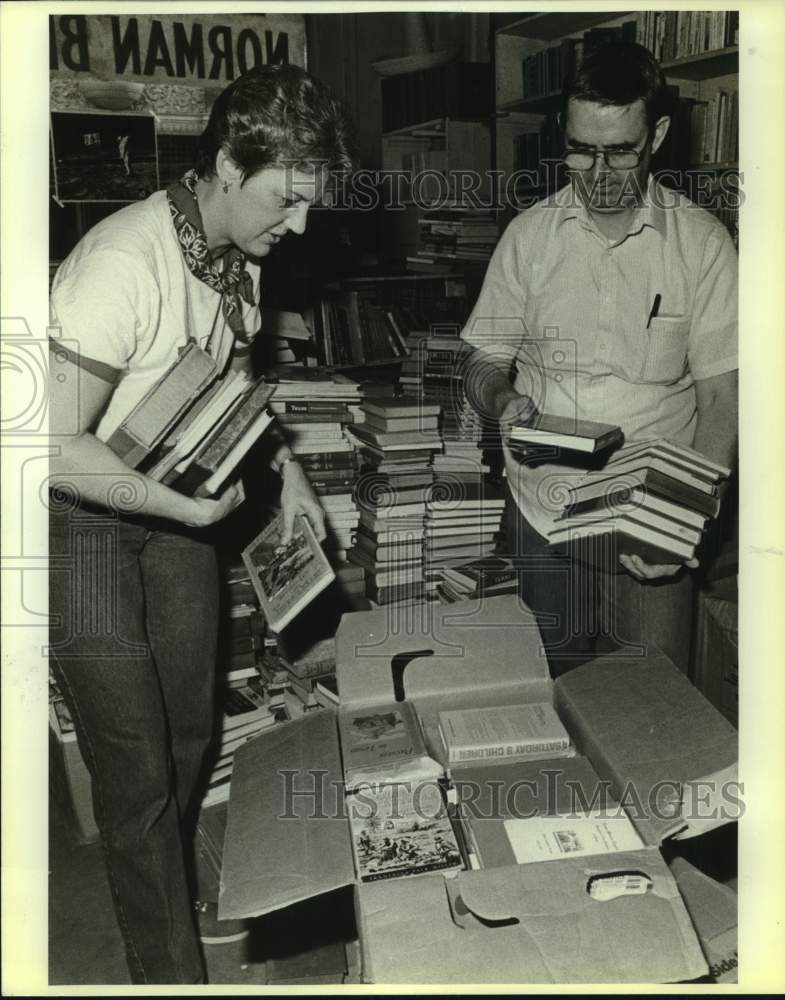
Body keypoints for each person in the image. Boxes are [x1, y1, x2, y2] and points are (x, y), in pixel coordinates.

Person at [48, 65, 354, 984]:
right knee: (135, 774)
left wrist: (287, 471)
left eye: (311, 204)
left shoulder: (234, 257)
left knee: (189, 738)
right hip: (80, 524)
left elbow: (225, 384)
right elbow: (47, 445)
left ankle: (165, 893)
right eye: (286, 200)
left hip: (173, 508)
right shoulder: (121, 265)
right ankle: (166, 970)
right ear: (227, 161)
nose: (298, 227)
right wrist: (185, 508)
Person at [460, 42, 738, 677]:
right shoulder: (528, 238)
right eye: (581, 148)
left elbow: (725, 400)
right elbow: (478, 362)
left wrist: (683, 519)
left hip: (649, 514)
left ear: (658, 135)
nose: (598, 172)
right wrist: (502, 401)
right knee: (553, 692)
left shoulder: (703, 244)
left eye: (620, 151)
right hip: (541, 510)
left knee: (652, 703)